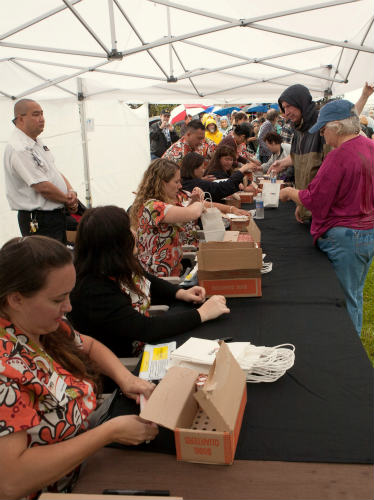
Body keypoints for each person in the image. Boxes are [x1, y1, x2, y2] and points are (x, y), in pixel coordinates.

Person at [0, 235, 158, 500]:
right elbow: (12, 481)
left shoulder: (40, 327)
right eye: (56, 300)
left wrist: (125, 378)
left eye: (68, 296)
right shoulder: (5, 370)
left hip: (87, 462)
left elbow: (89, 346)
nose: (68, 307)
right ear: (16, 299)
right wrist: (109, 432)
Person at [69, 206, 230, 357]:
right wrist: (202, 314)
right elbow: (145, 329)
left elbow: (147, 280)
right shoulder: (93, 291)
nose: (134, 232)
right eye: (127, 230)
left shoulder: (117, 265)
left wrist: (180, 293)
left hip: (148, 343)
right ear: (113, 243)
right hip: (132, 361)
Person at [279, 100, 374, 335]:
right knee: (354, 293)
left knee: (344, 298)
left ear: (336, 127)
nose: (322, 135)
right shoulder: (370, 146)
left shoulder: (338, 156)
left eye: (323, 130)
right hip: (368, 232)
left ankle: (349, 349)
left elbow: (315, 200)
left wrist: (291, 193)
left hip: (345, 237)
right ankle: (354, 339)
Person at [269, 82, 374, 222]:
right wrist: (283, 164)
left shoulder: (325, 126)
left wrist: (294, 195)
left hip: (329, 214)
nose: (285, 112)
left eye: (288, 106)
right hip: (312, 205)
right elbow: (300, 157)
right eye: (283, 108)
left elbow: (331, 177)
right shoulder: (298, 130)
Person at [3, 99, 78, 243]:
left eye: (42, 114)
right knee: (47, 262)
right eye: (36, 115)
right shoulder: (19, 147)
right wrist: (67, 200)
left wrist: (71, 191)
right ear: (20, 119)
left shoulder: (36, 142)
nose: (42, 119)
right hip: (39, 219)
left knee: (59, 257)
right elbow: (42, 187)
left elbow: (54, 172)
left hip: (54, 215)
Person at [131, 159, 204, 277]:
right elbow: (192, 213)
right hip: (159, 276)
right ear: (162, 183)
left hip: (168, 272)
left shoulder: (157, 205)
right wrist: (200, 202)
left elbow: (182, 218)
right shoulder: (154, 207)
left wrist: (194, 201)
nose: (180, 186)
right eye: (176, 182)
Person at [181, 152, 255, 204]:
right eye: (202, 167)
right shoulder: (197, 182)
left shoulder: (186, 181)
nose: (203, 170)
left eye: (231, 159)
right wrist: (242, 170)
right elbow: (222, 188)